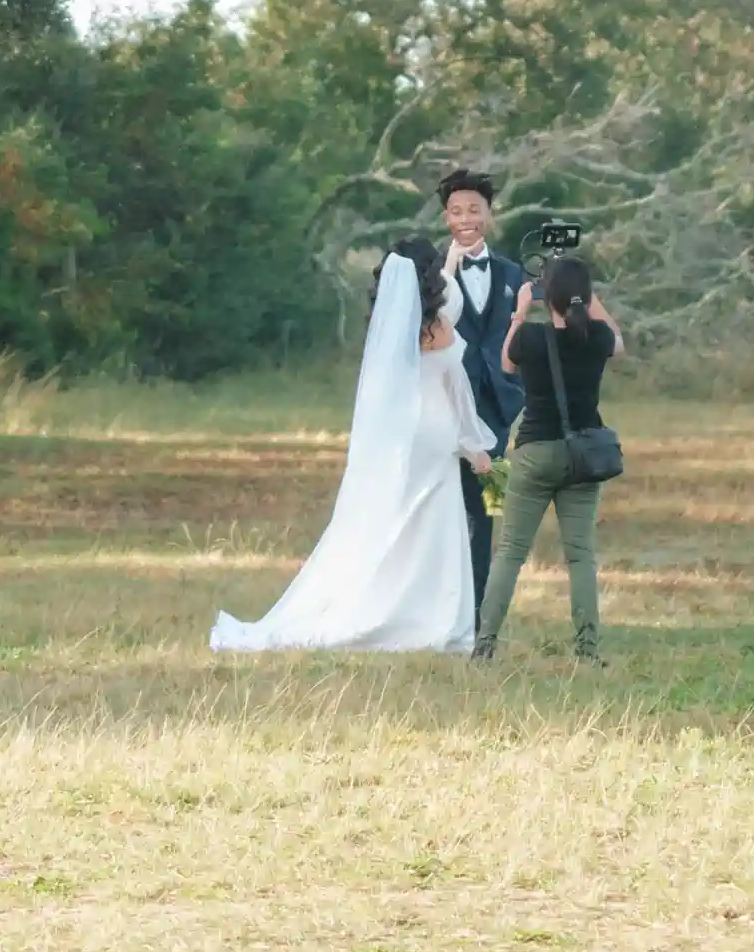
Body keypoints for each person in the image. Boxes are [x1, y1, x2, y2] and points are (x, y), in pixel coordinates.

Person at [211, 238, 496, 654]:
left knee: (398, 518)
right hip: (435, 435)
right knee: (432, 524)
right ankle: (430, 616)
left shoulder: (389, 328)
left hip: (403, 435)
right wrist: (476, 444)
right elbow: (459, 391)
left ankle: (392, 607)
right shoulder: (440, 330)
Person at [471, 252, 620, 667]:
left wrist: (521, 311)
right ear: (585, 297)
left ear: (546, 296)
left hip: (535, 452)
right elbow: (618, 341)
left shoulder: (531, 339)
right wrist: (586, 298)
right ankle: (588, 651)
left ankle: (484, 645)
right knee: (580, 556)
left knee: (511, 552)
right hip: (583, 456)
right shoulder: (598, 339)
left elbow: (505, 362)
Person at [437, 166, 524, 617]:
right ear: (445, 218)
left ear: (489, 214)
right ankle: (441, 607)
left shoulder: (513, 272)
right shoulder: (429, 271)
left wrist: (517, 387)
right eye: (456, 211)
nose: (465, 218)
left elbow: (526, 333)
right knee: (443, 511)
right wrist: (448, 272)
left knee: (489, 512)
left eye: (474, 209)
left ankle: (480, 617)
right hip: (444, 410)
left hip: (498, 413)